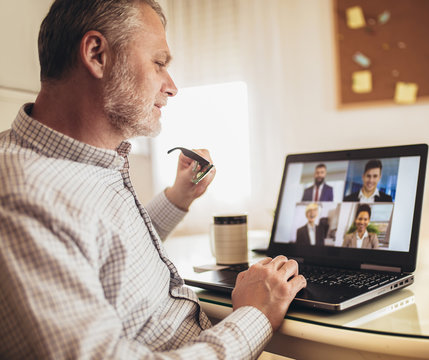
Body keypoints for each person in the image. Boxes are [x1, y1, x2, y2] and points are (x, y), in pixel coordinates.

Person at [0, 1, 306, 359]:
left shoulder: (79, 166)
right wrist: (255, 316)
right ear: (97, 54)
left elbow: (110, 256)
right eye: (159, 63)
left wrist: (179, 197)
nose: (172, 86)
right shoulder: (22, 196)